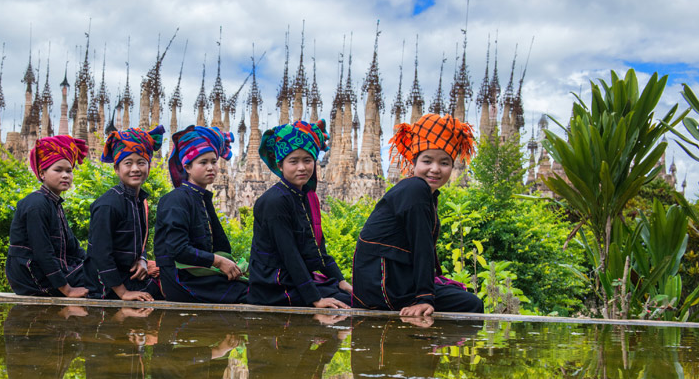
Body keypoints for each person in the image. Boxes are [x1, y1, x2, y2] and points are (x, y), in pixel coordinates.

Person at [352, 113, 484, 315]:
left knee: (457, 294)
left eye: (444, 163)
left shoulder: (422, 192)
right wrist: (424, 298)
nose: (435, 169)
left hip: (384, 283)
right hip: (384, 286)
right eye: (427, 161)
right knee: (470, 304)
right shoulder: (415, 189)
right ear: (414, 163)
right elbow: (421, 244)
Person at [246, 120, 352, 308]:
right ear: (280, 165)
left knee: (359, 297)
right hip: (274, 285)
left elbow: (318, 247)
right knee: (349, 304)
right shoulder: (275, 201)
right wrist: (315, 299)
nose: (302, 167)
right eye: (293, 161)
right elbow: (289, 254)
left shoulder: (305, 197)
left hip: (295, 280)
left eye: (307, 160)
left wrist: (341, 281)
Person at [154, 126, 248, 304]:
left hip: (201, 275)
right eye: (203, 162)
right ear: (187, 167)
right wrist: (219, 262)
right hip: (182, 280)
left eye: (214, 161)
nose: (210, 167)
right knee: (253, 293)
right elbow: (178, 249)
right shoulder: (176, 200)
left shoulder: (202, 198)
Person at [85, 125, 165, 301]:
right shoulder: (108, 205)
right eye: (128, 163)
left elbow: (140, 244)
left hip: (130, 275)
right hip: (107, 285)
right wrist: (123, 293)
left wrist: (143, 260)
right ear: (116, 169)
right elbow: (100, 254)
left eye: (141, 162)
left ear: (149, 167)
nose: (135, 169)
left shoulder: (139, 202)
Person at [6, 136, 90, 297]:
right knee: (105, 282)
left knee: (107, 274)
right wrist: (68, 290)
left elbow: (73, 247)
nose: (65, 175)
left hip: (53, 271)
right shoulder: (36, 204)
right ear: (42, 173)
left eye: (69, 170)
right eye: (58, 170)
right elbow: (42, 252)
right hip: (33, 276)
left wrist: (94, 264)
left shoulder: (54, 203)